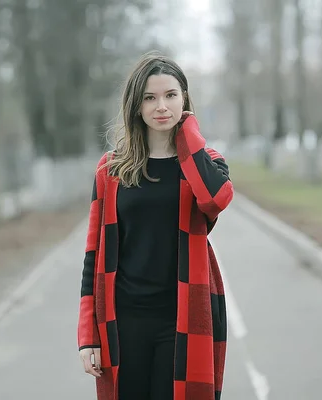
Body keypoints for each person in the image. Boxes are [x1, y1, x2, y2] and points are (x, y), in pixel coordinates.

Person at [77, 52, 234, 400]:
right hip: (124, 319)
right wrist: (88, 335)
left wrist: (189, 134)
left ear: (185, 101)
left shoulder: (206, 164)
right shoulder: (111, 169)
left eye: (171, 95)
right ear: (137, 105)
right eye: (150, 97)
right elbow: (94, 253)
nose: (161, 106)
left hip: (184, 316)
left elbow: (216, 199)